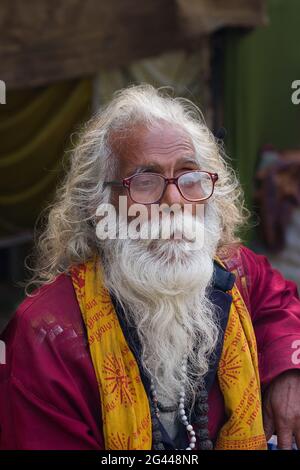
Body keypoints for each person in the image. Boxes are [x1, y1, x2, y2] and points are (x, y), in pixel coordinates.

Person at [1, 85, 300, 450]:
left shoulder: (232, 270)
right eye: (144, 181)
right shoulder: (45, 334)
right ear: (100, 206)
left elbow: (278, 300)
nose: (173, 200)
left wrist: (289, 371)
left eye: (189, 176)